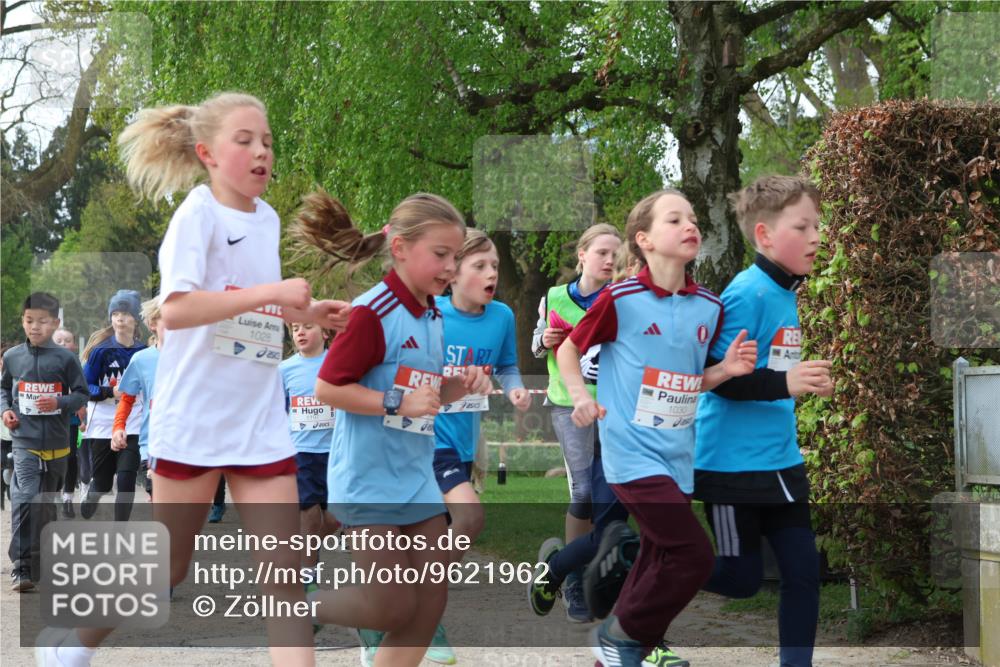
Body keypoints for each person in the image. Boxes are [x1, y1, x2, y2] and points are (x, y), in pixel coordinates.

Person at [34, 92, 350, 667]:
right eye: (245, 140)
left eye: (268, 141)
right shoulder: (197, 213)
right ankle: (74, 643)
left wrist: (306, 312)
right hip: (195, 419)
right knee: (168, 566)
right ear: (206, 152)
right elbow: (176, 310)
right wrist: (274, 294)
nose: (262, 152)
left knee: (284, 578)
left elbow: (254, 310)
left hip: (258, 422)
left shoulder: (268, 219)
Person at [557, 189, 758, 667]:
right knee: (694, 555)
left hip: (677, 456)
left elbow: (691, 382)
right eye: (675, 219)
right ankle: (623, 637)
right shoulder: (620, 298)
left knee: (657, 557)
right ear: (643, 239)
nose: (690, 225)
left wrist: (725, 370)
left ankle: (614, 652)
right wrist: (582, 398)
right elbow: (568, 348)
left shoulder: (708, 307)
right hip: (631, 455)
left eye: (692, 218)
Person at [293, 189, 491, 667]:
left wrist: (456, 387)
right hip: (367, 481)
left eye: (454, 256)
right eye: (440, 254)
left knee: (430, 599)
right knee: (392, 606)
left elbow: (423, 393)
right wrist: (394, 400)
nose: (450, 267)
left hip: (416, 476)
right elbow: (328, 389)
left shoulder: (433, 312)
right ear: (400, 249)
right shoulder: (373, 312)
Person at [695, 175, 832, 667]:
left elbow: (773, 372)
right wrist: (787, 384)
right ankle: (634, 562)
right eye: (803, 226)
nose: (818, 236)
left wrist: (799, 381)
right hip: (731, 469)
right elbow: (721, 380)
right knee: (740, 579)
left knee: (802, 573)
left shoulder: (788, 292)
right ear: (764, 235)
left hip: (781, 462)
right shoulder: (746, 293)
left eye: (818, 225)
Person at [431, 229, 530, 662]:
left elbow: (507, 363)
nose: (492, 273)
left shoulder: (502, 317)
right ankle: (419, 608)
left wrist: (515, 389)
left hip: (465, 442)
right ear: (452, 274)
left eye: (494, 266)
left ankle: (407, 607)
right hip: (423, 440)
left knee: (434, 539)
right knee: (468, 518)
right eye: (480, 266)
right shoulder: (428, 312)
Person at [529, 223, 622, 621]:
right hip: (568, 403)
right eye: (602, 252)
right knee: (583, 492)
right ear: (582, 254)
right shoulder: (553, 297)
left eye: (615, 254)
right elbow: (537, 343)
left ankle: (582, 571)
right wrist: (542, 340)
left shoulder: (621, 298)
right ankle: (572, 582)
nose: (609, 260)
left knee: (611, 499)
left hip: (615, 407)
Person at [1, 293, 88, 592]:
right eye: (29, 321)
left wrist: (60, 402)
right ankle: (21, 567)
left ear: (55, 323)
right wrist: (6, 410)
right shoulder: (13, 356)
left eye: (42, 322)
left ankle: (40, 561)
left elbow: (81, 394)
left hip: (58, 444)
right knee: (27, 498)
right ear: (22, 321)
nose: (34, 327)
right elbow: (3, 389)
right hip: (23, 442)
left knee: (46, 505)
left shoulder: (66, 358)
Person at [79, 290, 147, 521]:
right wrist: (109, 391)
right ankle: (93, 494)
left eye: (126, 313)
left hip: (132, 421)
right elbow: (84, 387)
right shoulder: (100, 352)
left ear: (136, 319)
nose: (119, 318)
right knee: (104, 482)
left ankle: (121, 530)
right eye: (116, 313)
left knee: (126, 480)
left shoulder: (143, 352)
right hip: (103, 422)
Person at [279, 322, 340, 577]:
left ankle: (300, 547)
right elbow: (277, 413)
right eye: (295, 329)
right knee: (310, 515)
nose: (300, 333)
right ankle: (307, 578)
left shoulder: (338, 363)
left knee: (334, 520)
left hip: (336, 452)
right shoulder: (285, 369)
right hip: (301, 452)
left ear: (325, 332)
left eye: (307, 327)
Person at [111, 298, 163, 500]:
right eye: (170, 319)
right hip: (153, 444)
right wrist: (118, 427)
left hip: (189, 443)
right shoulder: (142, 360)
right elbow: (127, 397)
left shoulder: (196, 358)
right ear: (153, 324)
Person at [52, 327, 84, 517]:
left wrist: (79, 403)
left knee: (71, 457)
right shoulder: (43, 362)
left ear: (74, 345)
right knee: (53, 458)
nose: (63, 344)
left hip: (69, 419)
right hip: (49, 420)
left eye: (67, 340)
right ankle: (53, 492)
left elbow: (82, 390)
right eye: (58, 340)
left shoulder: (76, 364)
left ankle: (68, 498)